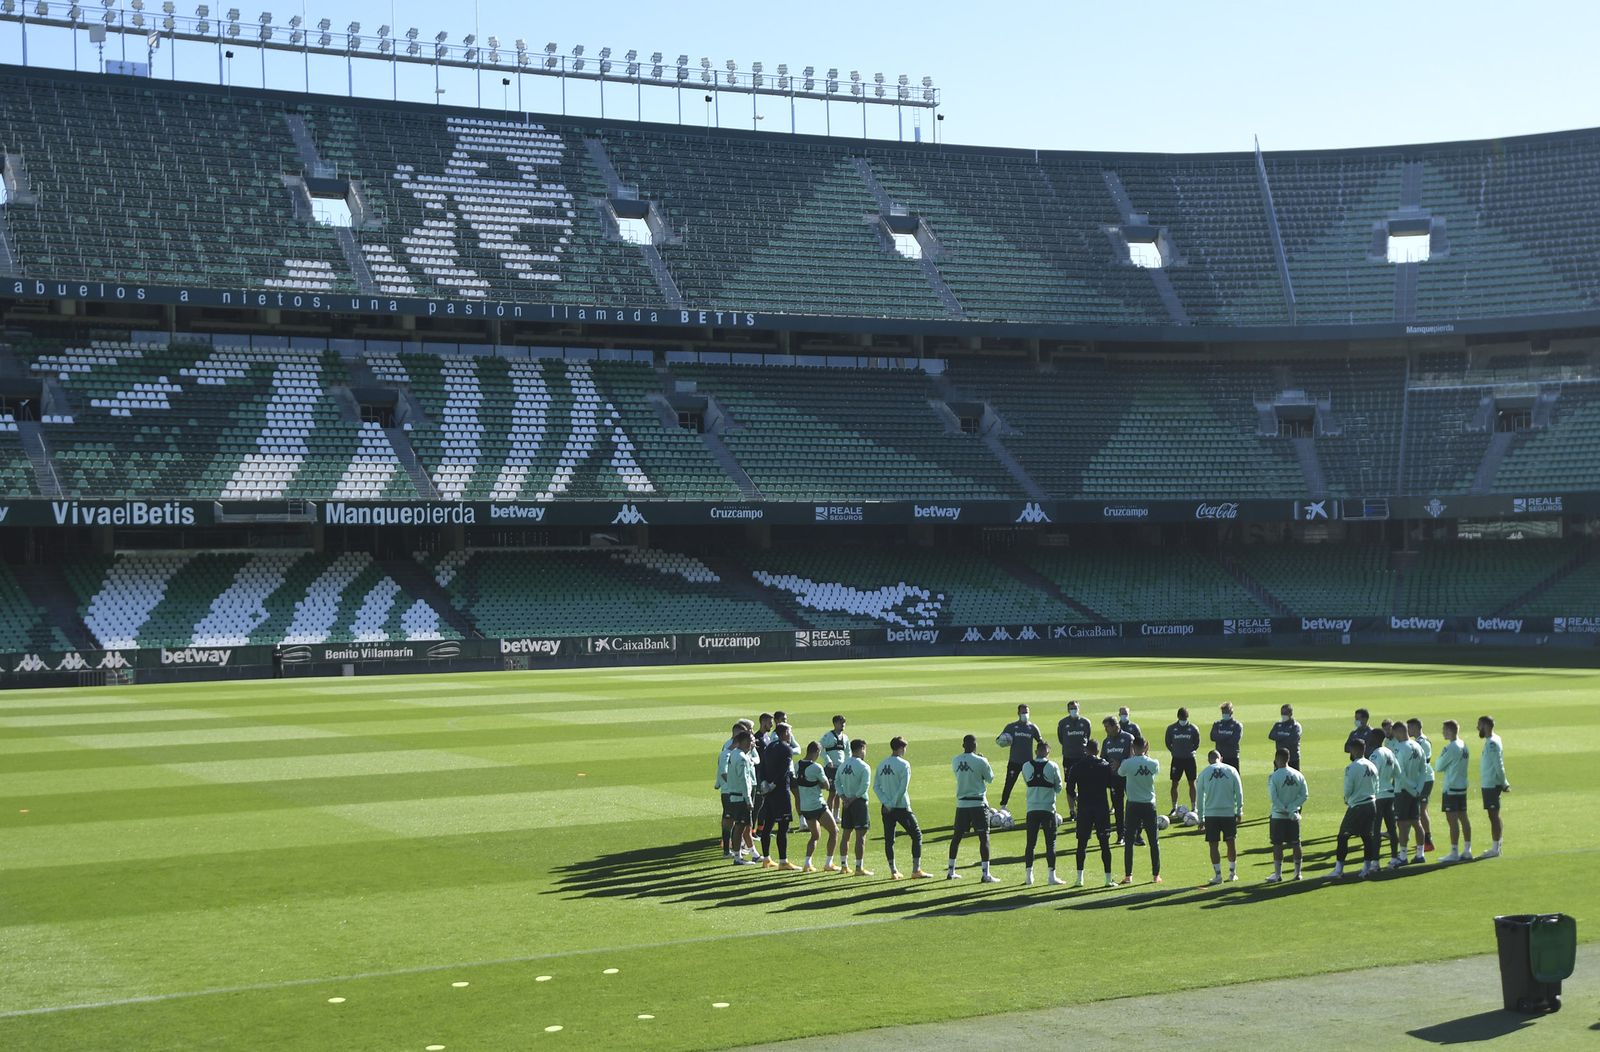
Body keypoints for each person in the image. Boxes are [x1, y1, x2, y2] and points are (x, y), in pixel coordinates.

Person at [874, 736, 931, 879]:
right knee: (917, 835)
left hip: (886, 808)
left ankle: (893, 871)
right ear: (900, 748)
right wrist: (892, 803)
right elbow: (902, 788)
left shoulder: (882, 764)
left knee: (889, 840)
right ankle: (916, 870)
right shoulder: (904, 764)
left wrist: (886, 803)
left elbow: (876, 787)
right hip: (901, 807)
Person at [947, 734, 999, 883]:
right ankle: (985, 874)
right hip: (978, 804)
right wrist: (984, 761)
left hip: (962, 804)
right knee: (984, 838)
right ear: (975, 746)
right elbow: (990, 778)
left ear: (963, 745)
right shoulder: (981, 761)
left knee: (956, 837)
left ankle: (951, 871)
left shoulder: (955, 760)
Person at [1066, 740, 1117, 888]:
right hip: (1101, 808)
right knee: (1104, 844)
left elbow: (1069, 788)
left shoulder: (1077, 766)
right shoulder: (1105, 766)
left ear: (1086, 750)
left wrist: (1076, 798)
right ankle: (1108, 879)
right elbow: (1112, 785)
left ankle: (1079, 879)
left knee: (1081, 844)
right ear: (1098, 750)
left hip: (1084, 808)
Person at [1330, 736, 1380, 879]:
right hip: (1371, 803)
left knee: (1343, 836)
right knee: (1367, 837)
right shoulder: (1372, 765)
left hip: (1358, 806)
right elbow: (1377, 786)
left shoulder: (1352, 767)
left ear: (1355, 750)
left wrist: (1347, 799)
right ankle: (1366, 868)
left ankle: (1338, 870)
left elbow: (1348, 788)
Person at [1116, 738, 1162, 885]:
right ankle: (1156, 875)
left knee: (1129, 841)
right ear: (1146, 747)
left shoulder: (1127, 763)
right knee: (1153, 841)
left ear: (1132, 747)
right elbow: (1155, 771)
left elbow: (1120, 773)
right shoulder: (1153, 763)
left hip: (1133, 804)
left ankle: (1128, 876)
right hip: (1149, 804)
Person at [1020, 741, 1065, 886]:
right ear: (1047, 752)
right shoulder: (1053, 766)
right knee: (1050, 843)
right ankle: (1051, 876)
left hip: (1031, 809)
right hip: (1048, 809)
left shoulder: (1026, 766)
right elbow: (1059, 788)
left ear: (1036, 751)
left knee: (1030, 843)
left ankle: (1029, 876)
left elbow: (1027, 782)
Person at [758, 723, 802, 870]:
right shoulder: (786, 748)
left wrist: (765, 782)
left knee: (768, 826)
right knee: (783, 827)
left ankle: (766, 859)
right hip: (781, 792)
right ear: (784, 733)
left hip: (769, 793)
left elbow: (763, 767)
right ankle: (783, 861)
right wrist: (774, 784)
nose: (790, 734)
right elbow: (784, 771)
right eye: (789, 732)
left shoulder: (769, 747)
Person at [1197, 749, 1244, 884]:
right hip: (1228, 813)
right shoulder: (1231, 770)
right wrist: (1239, 811)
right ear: (1221, 758)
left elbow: (1200, 797)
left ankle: (1218, 876)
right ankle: (1232, 873)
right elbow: (1239, 792)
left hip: (1211, 815)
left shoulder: (1204, 773)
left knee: (1213, 845)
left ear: (1209, 760)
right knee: (1231, 842)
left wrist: (1201, 818)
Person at [795, 741, 840, 873]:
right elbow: (827, 785)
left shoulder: (797, 765)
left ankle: (807, 863)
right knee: (834, 831)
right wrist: (818, 784)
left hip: (805, 807)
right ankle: (828, 863)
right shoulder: (816, 767)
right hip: (817, 805)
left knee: (815, 835)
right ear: (817, 752)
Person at [1265, 748, 1307, 883]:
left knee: (1277, 844)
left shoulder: (1274, 776)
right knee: (1296, 843)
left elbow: (1273, 798)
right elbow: (1304, 795)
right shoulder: (1298, 775)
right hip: (1293, 815)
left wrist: (1284, 808)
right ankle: (1298, 873)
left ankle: (1278, 875)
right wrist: (1292, 807)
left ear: (1277, 759)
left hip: (1278, 816)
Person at [1389, 720, 1427, 869]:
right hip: (1415, 791)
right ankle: (1420, 854)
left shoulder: (1399, 748)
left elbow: (1400, 773)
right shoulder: (1417, 746)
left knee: (1402, 824)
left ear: (1399, 731)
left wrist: (1410, 788)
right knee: (1416, 822)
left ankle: (1403, 857)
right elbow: (1424, 770)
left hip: (1403, 791)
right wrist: (1418, 788)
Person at [834, 739, 874, 876]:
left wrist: (843, 797)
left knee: (846, 834)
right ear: (861, 749)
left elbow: (837, 782)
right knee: (860, 836)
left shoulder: (843, 765)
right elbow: (864, 787)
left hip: (846, 803)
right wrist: (852, 799)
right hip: (858, 803)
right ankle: (859, 867)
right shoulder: (864, 766)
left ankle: (844, 866)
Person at [1435, 719, 1473, 862]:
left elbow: (1438, 767)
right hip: (1462, 787)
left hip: (1451, 788)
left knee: (1452, 820)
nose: (1442, 732)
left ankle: (1454, 852)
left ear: (1450, 731)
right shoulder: (1464, 745)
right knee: (1464, 818)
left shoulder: (1451, 747)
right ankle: (1467, 850)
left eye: (1444, 730)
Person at [716, 719, 754, 857]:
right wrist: (733, 784)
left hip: (733, 791)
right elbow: (723, 772)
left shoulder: (738, 752)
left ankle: (738, 848)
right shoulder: (727, 752)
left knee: (738, 822)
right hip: (729, 792)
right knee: (730, 821)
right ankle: (728, 850)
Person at [996, 704, 1045, 810]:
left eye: (1026, 712)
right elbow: (999, 740)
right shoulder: (1011, 727)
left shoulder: (1033, 728)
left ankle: (1037, 805)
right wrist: (1004, 741)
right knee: (1009, 784)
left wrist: (1042, 754)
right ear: (1018, 713)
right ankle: (1003, 806)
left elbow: (1040, 742)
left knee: (1033, 785)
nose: (1025, 714)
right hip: (1014, 761)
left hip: (1028, 763)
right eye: (1023, 712)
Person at [724, 729, 759, 866]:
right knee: (740, 827)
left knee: (743, 826)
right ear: (744, 741)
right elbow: (744, 780)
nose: (752, 743)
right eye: (750, 741)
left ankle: (752, 854)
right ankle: (738, 857)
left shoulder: (734, 754)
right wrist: (748, 800)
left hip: (734, 796)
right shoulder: (742, 758)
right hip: (741, 798)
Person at [1366, 728, 1400, 864]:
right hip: (1390, 794)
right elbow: (1398, 772)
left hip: (1378, 795)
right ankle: (1394, 857)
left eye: (1371, 737)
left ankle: (1375, 862)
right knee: (1392, 828)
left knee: (1376, 829)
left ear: (1376, 738)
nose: (1369, 739)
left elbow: (1373, 775)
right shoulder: (1389, 752)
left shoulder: (1375, 755)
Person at [1100, 716, 1135, 844]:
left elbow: (1134, 758)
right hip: (1114, 778)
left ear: (1115, 726)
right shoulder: (1106, 741)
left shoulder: (1128, 738)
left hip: (1128, 778)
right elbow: (1103, 758)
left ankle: (1135, 833)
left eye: (1107, 727)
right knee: (1118, 808)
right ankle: (1121, 835)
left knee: (1133, 805)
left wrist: (1121, 764)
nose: (1105, 730)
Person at [1057, 700, 1092, 819]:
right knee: (1069, 785)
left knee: (1084, 784)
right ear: (1068, 710)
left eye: (1075, 708)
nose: (1074, 710)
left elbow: (1087, 737)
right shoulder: (1063, 723)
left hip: (1082, 758)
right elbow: (1061, 739)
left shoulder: (1085, 722)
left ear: (1079, 708)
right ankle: (1072, 810)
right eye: (1071, 708)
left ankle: (1083, 808)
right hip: (1068, 757)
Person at [1478, 715, 1507, 859]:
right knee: (1493, 816)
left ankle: (1495, 849)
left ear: (1486, 726)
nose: (1477, 728)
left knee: (1494, 816)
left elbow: (1499, 765)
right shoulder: (1494, 740)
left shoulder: (1492, 743)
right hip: (1489, 783)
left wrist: (1504, 783)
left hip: (1491, 784)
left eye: (1479, 725)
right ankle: (1497, 846)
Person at [1407, 717, 1436, 856]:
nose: (1408, 730)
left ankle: (1428, 842)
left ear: (1416, 727)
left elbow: (1422, 762)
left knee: (1421, 811)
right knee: (1422, 810)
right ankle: (1425, 840)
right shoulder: (1418, 741)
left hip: (1425, 779)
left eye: (1410, 727)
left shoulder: (1423, 742)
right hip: (1422, 779)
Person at [1165, 707, 1202, 814]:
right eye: (1182, 718)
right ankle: (1174, 807)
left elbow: (1197, 743)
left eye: (1185, 718)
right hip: (1177, 759)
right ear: (1178, 717)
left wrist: (1190, 751)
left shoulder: (1193, 728)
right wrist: (1175, 751)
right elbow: (1168, 742)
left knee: (1192, 783)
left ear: (1187, 717)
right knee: (1174, 783)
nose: (1183, 720)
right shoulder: (1171, 728)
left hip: (1190, 759)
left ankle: (1194, 807)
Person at [820, 715, 851, 819]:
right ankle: (829, 816)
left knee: (839, 793)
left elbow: (848, 753)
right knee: (832, 792)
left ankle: (836, 816)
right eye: (840, 722)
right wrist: (828, 760)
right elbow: (820, 748)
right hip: (831, 769)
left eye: (844, 722)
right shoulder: (828, 736)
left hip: (841, 769)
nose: (843, 725)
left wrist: (847, 763)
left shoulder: (845, 737)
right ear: (835, 723)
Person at [1268, 704, 1302, 772]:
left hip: (1293, 758)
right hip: (1280, 759)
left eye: (1285, 713)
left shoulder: (1295, 726)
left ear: (1290, 713)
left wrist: (1280, 736)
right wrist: (1286, 735)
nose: (1283, 715)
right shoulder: (1278, 725)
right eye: (1282, 713)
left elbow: (1293, 739)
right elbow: (1271, 735)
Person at [1211, 703, 1242, 772]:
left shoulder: (1237, 725)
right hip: (1220, 757)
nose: (1225, 714)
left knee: (1234, 775)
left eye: (1226, 712)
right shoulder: (1217, 724)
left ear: (1231, 712)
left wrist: (1220, 738)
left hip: (1232, 756)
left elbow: (1234, 740)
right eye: (1223, 712)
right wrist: (1227, 736)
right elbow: (1212, 737)